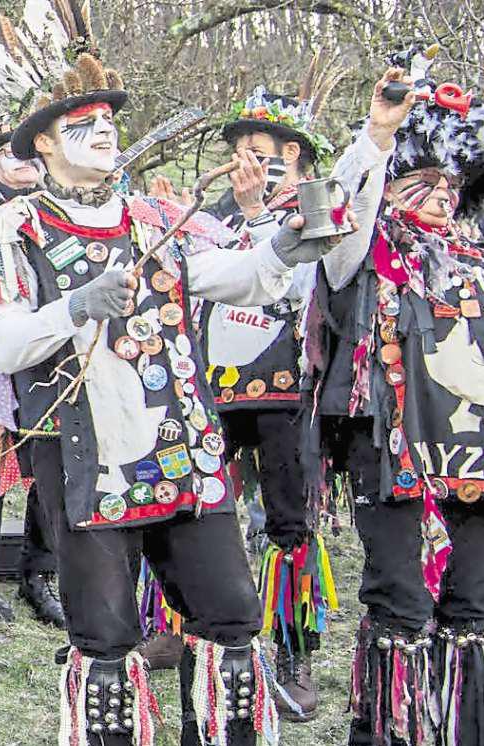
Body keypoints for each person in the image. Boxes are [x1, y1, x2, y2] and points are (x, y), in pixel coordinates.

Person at [0, 33, 344, 743]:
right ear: (40, 146)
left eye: (109, 122)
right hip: (85, 452)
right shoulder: (10, 231)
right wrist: (76, 305)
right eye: (81, 125)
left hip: (180, 445)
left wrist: (284, 247)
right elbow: (8, 343)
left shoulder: (152, 221)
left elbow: (233, 275)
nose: (103, 132)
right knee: (104, 633)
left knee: (230, 613)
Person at [320, 70, 483, 743]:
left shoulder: (473, 258)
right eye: (422, 178)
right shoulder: (361, 248)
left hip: (472, 460)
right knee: (401, 607)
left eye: (452, 182)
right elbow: (333, 213)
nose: (440, 195)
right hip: (390, 455)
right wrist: (377, 137)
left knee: (471, 608)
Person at [201, 83, 360, 721]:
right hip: (214, 386)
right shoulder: (213, 211)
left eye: (260, 153)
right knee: (195, 505)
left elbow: (296, 282)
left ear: (291, 155)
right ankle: (186, 625)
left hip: (286, 388)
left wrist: (263, 214)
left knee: (289, 522)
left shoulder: (314, 209)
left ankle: (295, 651)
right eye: (240, 151)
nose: (247, 163)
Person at [0, 130, 66, 631]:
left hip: (50, 346)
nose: (21, 162)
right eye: (8, 154)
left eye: (27, 153)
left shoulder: (61, 207)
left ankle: (40, 572)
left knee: (52, 461)